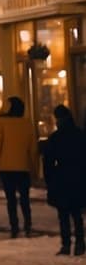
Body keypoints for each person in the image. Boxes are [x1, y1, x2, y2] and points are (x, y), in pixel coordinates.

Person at [0, 95, 38, 239]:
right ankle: (28, 225)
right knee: (25, 198)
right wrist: (34, 169)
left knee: (11, 199)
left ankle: (14, 226)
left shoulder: (2, 123)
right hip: (23, 167)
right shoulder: (27, 123)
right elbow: (33, 149)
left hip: (6, 167)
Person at [40, 105, 84, 256]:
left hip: (62, 180)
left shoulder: (55, 138)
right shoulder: (80, 135)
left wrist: (50, 180)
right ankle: (80, 243)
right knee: (76, 213)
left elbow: (48, 163)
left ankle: (66, 244)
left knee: (63, 215)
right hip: (78, 178)